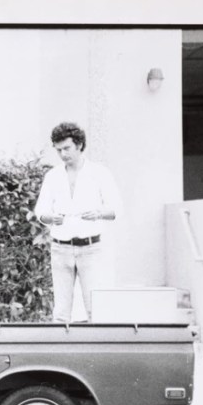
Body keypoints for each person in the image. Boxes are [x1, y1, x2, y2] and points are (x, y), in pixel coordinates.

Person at [34, 122, 122, 323]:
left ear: (80, 145)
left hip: (91, 249)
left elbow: (116, 209)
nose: (63, 154)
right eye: (59, 150)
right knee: (61, 311)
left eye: (67, 148)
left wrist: (98, 213)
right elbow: (41, 211)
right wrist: (50, 218)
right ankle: (58, 354)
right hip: (60, 248)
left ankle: (98, 353)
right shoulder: (53, 176)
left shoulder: (99, 173)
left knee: (95, 309)